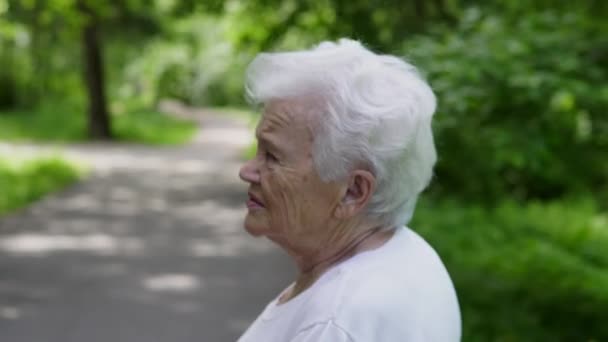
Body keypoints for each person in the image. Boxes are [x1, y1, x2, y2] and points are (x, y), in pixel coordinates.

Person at [237, 38, 461, 342]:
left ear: (353, 191)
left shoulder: (336, 324)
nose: (247, 171)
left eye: (272, 156)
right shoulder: (405, 255)